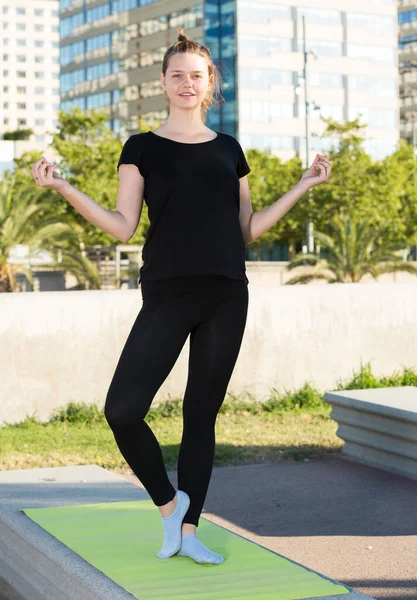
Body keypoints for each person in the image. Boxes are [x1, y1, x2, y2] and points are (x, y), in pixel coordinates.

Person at [31, 29, 331, 566]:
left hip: (226, 294)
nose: (187, 83)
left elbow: (248, 229)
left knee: (200, 415)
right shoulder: (141, 147)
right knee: (122, 410)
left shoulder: (229, 150)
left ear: (209, 83)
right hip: (167, 293)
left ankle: (190, 535)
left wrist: (303, 184)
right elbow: (123, 226)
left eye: (197, 75)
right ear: (163, 83)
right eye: (177, 75)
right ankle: (170, 507)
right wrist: (63, 188)